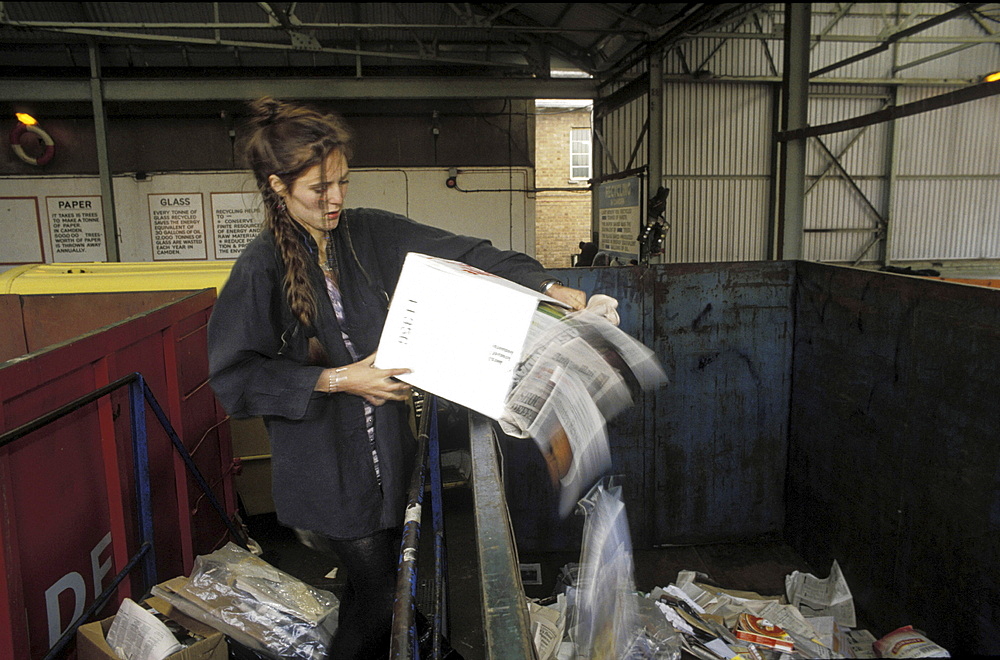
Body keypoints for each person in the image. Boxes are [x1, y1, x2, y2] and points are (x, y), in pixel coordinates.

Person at [206, 97, 589, 659]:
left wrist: (546, 287)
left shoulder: (365, 236)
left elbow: (466, 254)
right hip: (329, 476)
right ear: (278, 186)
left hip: (385, 463)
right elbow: (233, 379)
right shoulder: (260, 265)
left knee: (385, 589)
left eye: (342, 182)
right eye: (319, 189)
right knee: (383, 596)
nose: (335, 199)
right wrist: (340, 380)